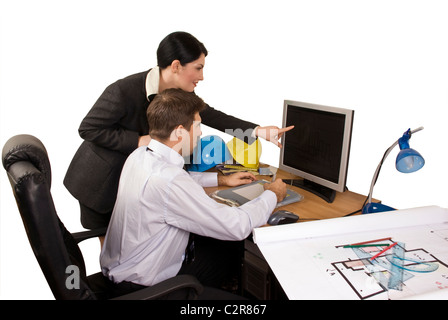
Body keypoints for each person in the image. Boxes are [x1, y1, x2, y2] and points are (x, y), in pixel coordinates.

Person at [64, 31, 293, 232]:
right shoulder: (122, 91)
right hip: (101, 180)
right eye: (198, 68)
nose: (202, 76)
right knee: (111, 243)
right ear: (176, 66)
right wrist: (141, 140)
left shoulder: (179, 94)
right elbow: (88, 128)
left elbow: (210, 115)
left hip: (140, 177)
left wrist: (258, 131)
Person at [100, 88, 287, 299]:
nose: (200, 133)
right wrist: (272, 194)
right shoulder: (169, 180)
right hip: (147, 289)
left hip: (125, 269)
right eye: (197, 126)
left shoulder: (140, 156)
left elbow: (177, 183)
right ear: (180, 132)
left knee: (227, 248)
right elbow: (237, 226)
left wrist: (221, 179)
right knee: (236, 242)